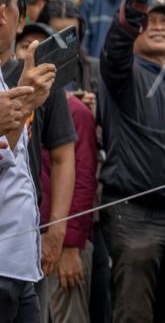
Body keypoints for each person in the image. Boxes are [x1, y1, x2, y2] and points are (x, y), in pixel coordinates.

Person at [98, 0, 165, 323]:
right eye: (150, 20)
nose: (159, 26)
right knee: (133, 315)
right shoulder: (123, 72)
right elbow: (117, 46)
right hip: (134, 217)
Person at [15, 26, 98, 323]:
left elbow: (77, 167)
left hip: (44, 236)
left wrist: (65, 237)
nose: (31, 54)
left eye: (38, 48)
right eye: (25, 45)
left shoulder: (62, 100)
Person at [0, 0, 56, 323]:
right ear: (3, 14)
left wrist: (24, 106)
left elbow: (6, 158)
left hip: (18, 265)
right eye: (19, 9)